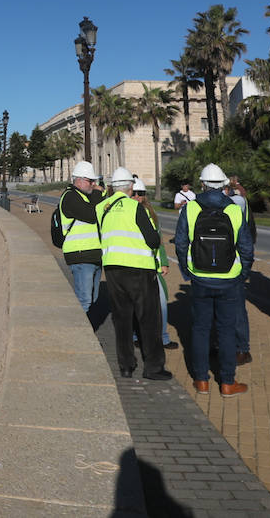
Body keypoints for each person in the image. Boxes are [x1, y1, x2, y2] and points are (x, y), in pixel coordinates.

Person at [176, 163, 252, 397]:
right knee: (227, 331)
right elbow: (247, 248)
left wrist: (188, 272)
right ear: (224, 185)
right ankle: (228, 382)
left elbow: (180, 244)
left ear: (202, 184)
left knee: (200, 329)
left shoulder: (190, 209)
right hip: (229, 279)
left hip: (200, 277)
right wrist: (242, 274)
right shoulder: (233, 210)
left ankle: (201, 381)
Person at [98, 167, 172, 381]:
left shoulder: (102, 207)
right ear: (130, 187)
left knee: (122, 320)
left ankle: (126, 366)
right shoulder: (135, 207)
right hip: (139, 269)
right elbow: (153, 239)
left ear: (113, 187)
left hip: (112, 268)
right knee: (149, 319)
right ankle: (154, 367)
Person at [134, 176, 179, 350]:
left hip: (152, 265)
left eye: (141, 193)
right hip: (135, 265)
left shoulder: (152, 214)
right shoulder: (127, 213)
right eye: (135, 193)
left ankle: (163, 337)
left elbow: (158, 241)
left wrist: (165, 262)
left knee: (161, 302)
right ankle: (135, 336)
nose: (138, 197)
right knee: (136, 304)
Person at [58, 161, 104, 313]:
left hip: (94, 254)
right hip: (80, 255)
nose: (94, 184)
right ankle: (76, 335)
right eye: (91, 181)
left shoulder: (85, 196)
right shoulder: (70, 197)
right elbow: (91, 215)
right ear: (79, 180)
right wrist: (98, 192)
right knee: (84, 301)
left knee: (93, 298)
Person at [225, 175, 255, 365]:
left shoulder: (236, 201)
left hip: (226, 266)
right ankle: (240, 349)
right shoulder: (235, 201)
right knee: (235, 310)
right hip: (230, 266)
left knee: (233, 310)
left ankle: (240, 349)